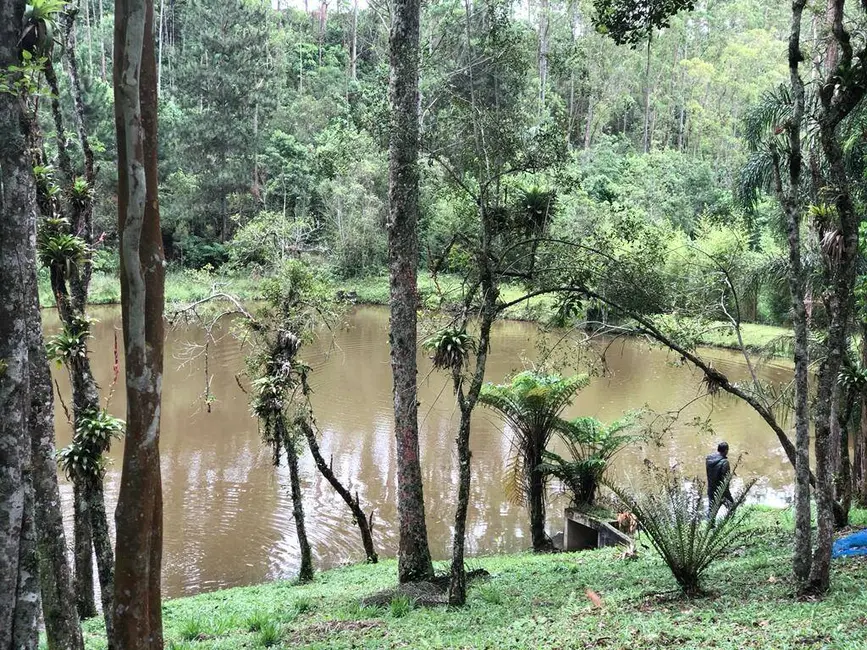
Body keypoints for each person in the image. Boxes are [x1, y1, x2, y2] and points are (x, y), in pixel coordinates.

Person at [706, 441, 734, 515]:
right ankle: (731, 520)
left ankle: (710, 523)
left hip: (711, 490)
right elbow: (725, 481)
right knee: (732, 508)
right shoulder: (725, 462)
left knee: (711, 513)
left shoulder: (709, 459)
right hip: (720, 492)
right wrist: (727, 493)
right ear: (726, 450)